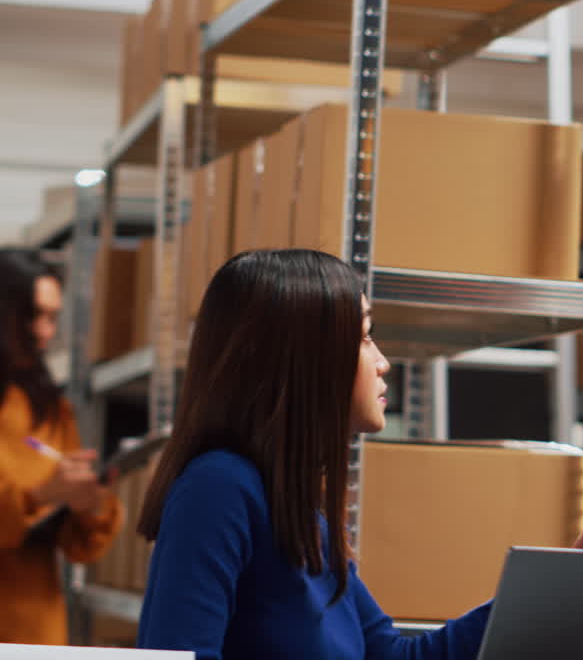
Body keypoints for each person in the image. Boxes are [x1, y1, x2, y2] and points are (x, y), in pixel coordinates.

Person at [136, 250, 489, 660]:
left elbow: (393, 658)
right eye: (364, 336)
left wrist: (548, 584)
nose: (383, 363)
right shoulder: (218, 489)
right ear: (306, 356)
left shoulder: (301, 517)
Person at [0, 248, 121, 644]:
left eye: (53, 317)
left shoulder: (51, 410)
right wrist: (41, 495)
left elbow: (80, 550)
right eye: (33, 315)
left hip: (34, 628)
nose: (44, 332)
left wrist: (88, 504)